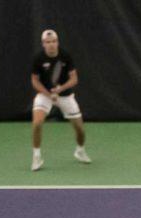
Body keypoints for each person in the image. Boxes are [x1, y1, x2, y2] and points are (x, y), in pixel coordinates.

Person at [30, 29, 90, 171]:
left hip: (65, 95)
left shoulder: (65, 56)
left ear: (57, 42)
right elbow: (34, 81)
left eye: (54, 41)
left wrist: (60, 89)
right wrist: (48, 93)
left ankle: (80, 151)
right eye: (48, 42)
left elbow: (74, 78)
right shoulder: (38, 58)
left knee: (80, 129)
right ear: (43, 44)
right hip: (45, 95)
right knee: (37, 123)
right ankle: (36, 157)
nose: (51, 45)